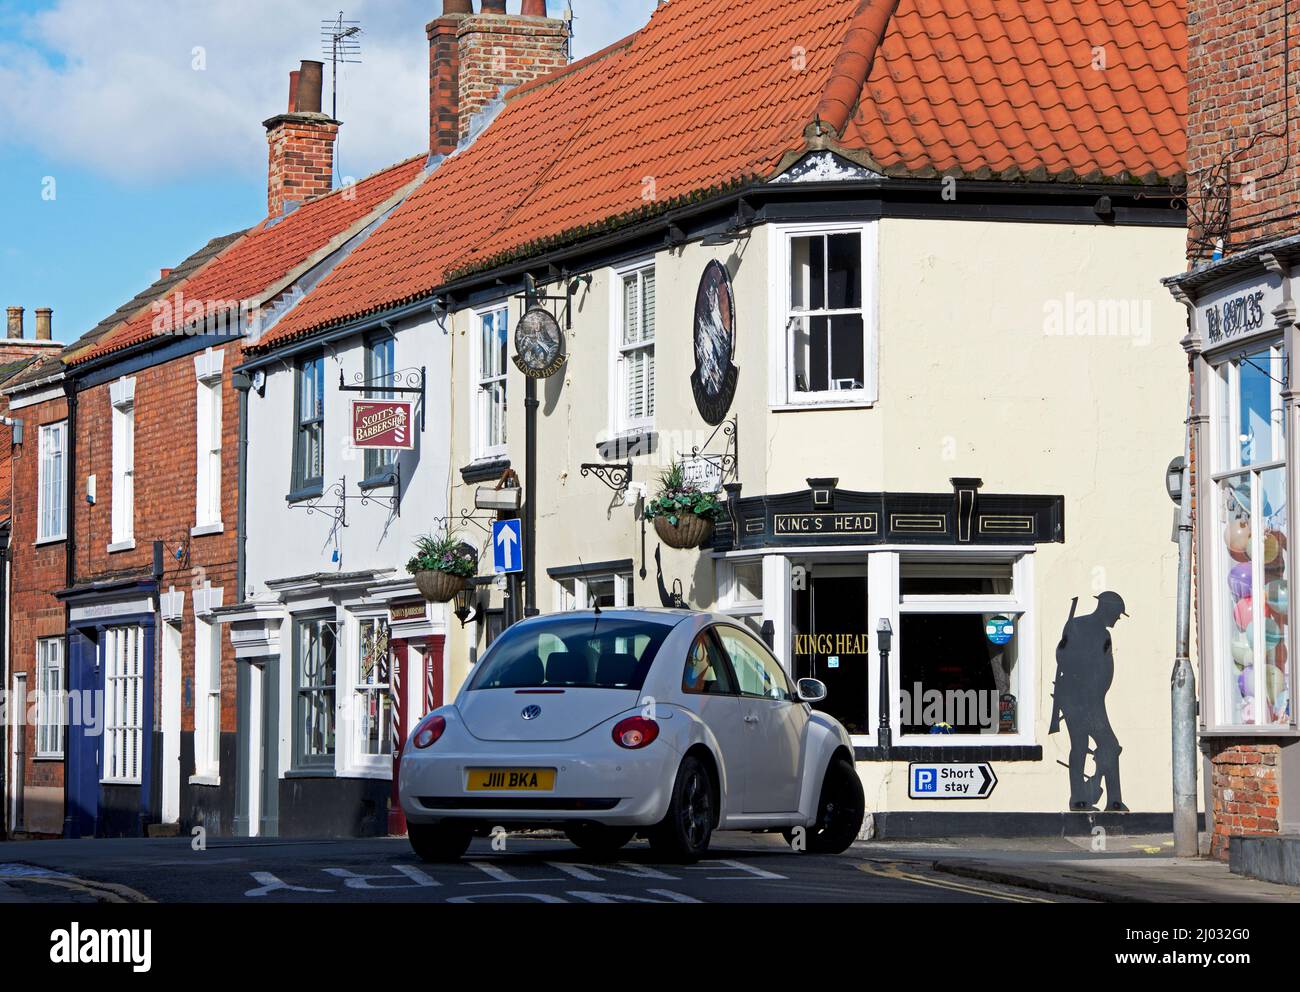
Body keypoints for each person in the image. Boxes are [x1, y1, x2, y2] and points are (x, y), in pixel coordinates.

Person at [1051, 591, 1129, 812]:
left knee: (1084, 745)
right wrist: (1091, 685)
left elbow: (1062, 655)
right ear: (1108, 609)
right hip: (1083, 697)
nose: (1117, 619)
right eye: (1116, 614)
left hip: (1082, 696)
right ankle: (1110, 801)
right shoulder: (1093, 631)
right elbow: (1065, 658)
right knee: (1105, 746)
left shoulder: (1076, 624)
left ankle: (1083, 799)